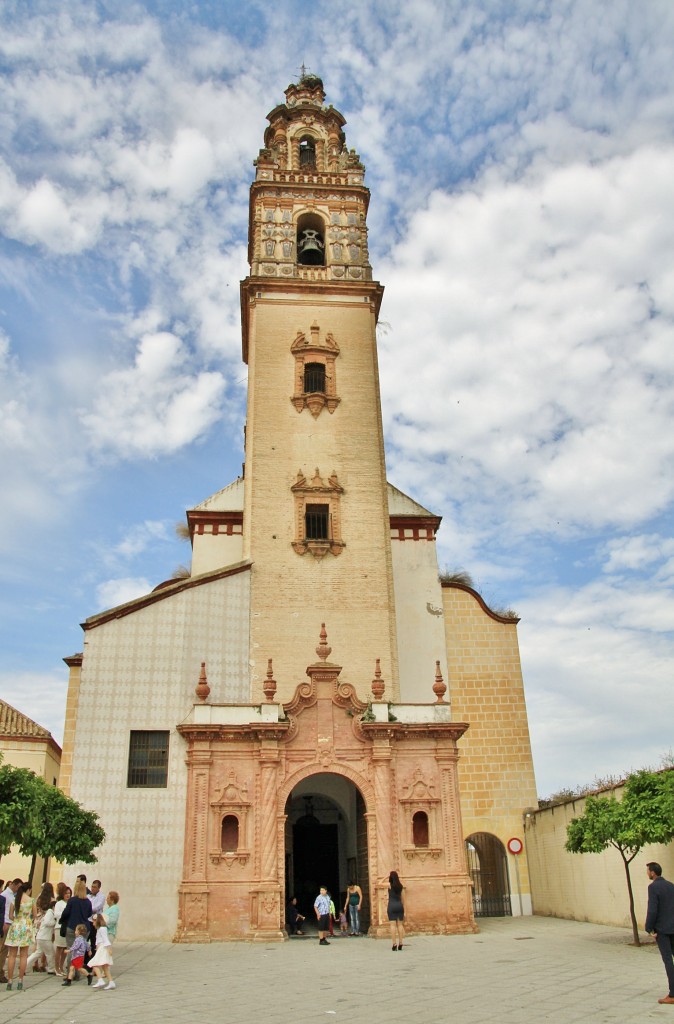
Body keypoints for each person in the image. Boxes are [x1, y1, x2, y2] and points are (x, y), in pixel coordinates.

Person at [645, 862, 674, 1005]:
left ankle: (673, 994)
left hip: (662, 930)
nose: (647, 873)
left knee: (668, 960)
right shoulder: (671, 886)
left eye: (648, 871)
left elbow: (652, 909)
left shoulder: (653, 887)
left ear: (652, 873)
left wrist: (649, 928)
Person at [4, 882, 35, 990]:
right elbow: (34, 915)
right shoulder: (31, 900)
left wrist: (17, 920)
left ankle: (10, 980)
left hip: (15, 926)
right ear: (29, 890)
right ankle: (20, 980)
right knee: (23, 955)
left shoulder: (15, 899)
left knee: (12, 955)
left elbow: (10, 916)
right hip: (26, 927)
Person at [26, 885, 56, 975]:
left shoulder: (39, 898)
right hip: (45, 936)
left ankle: (25, 964)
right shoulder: (50, 910)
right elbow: (47, 922)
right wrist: (54, 922)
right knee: (50, 953)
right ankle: (50, 968)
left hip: (38, 924)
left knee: (38, 952)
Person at [61, 879, 92, 953]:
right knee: (81, 950)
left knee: (71, 949)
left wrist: (63, 920)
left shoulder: (72, 900)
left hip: (72, 926)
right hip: (85, 928)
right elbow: (89, 914)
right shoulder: (88, 902)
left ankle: (71, 961)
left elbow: (66, 913)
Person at [0, 878, 22, 983]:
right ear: (13, 884)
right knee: (3, 949)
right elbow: (3, 911)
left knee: (5, 950)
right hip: (6, 923)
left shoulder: (12, 895)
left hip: (9, 923)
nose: (18, 889)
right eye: (18, 887)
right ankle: (0, 972)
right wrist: (4, 923)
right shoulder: (5, 895)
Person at [88, 913, 115, 989]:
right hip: (101, 948)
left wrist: (109, 948)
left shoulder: (102, 929)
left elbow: (105, 939)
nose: (93, 923)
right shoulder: (100, 929)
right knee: (104, 967)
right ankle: (111, 982)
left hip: (103, 948)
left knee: (94, 964)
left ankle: (100, 980)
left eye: (94, 921)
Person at [54, 884, 72, 976]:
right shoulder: (59, 903)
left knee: (65, 948)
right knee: (59, 948)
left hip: (68, 927)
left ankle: (61, 966)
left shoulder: (70, 903)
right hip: (59, 927)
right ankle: (56, 967)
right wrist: (65, 914)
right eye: (66, 893)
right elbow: (56, 914)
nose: (68, 895)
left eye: (69, 893)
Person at [387, 870, 405, 951]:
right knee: (400, 925)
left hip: (392, 905)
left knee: (393, 925)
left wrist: (386, 877)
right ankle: (400, 943)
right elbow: (403, 899)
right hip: (399, 905)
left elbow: (379, 882)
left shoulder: (389, 885)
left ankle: (394, 944)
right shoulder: (400, 886)